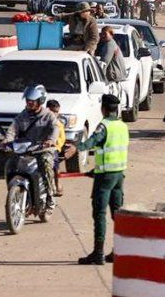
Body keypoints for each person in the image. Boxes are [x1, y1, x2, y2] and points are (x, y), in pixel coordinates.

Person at [64, 94, 128, 265]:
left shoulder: (104, 126)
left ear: (103, 109)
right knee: (117, 214)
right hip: (118, 175)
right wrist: (96, 170)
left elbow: (92, 141)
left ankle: (98, 253)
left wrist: (76, 148)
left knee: (99, 214)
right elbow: (113, 151)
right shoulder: (122, 126)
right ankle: (119, 250)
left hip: (105, 177)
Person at [1, 85, 58, 213]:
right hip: (25, 149)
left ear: (40, 101)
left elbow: (55, 128)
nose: (29, 103)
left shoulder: (48, 115)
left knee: (46, 163)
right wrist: (7, 140)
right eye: (28, 100)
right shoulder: (23, 115)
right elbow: (13, 128)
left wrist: (51, 140)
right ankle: (15, 193)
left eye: (32, 101)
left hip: (43, 149)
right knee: (11, 164)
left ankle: (50, 196)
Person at [46, 99, 66, 197]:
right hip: (40, 147)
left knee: (55, 167)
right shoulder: (42, 121)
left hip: (53, 149)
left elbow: (62, 138)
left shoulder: (58, 124)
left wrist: (56, 144)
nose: (55, 114)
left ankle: (58, 184)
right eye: (53, 111)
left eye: (57, 112)